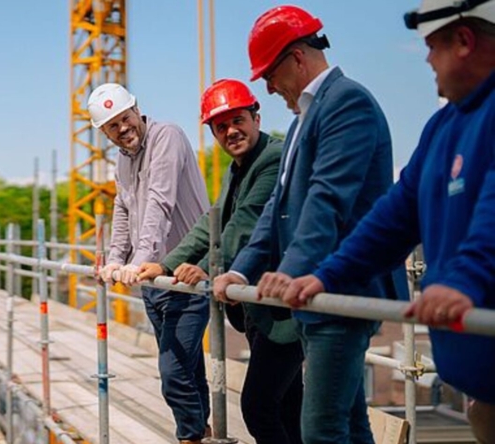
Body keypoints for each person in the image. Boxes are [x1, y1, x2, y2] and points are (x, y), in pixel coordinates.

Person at [279, 1, 495, 442]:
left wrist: (464, 281)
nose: (427, 60)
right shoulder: (444, 126)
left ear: (464, 41)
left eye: (432, 46)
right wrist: (327, 275)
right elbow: (393, 218)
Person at [211, 5, 407, 443]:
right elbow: (276, 209)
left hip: (342, 290)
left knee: (320, 430)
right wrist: (242, 269)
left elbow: (328, 199)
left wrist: (291, 267)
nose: (266, 85)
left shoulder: (347, 102)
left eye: (268, 73)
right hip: (318, 295)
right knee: (351, 425)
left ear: (297, 57)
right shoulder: (304, 117)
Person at [137, 79, 302, 444]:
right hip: (259, 306)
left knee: (259, 408)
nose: (231, 131)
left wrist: (208, 269)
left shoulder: (272, 159)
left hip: (282, 308)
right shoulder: (239, 167)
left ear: (256, 117)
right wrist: (166, 264)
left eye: (238, 120)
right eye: (221, 126)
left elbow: (245, 224)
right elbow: (211, 220)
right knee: (289, 408)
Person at [88, 83, 211, 444]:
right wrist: (114, 260)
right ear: (104, 133)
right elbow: (123, 210)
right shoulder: (123, 160)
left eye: (124, 118)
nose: (122, 128)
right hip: (153, 284)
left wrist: (138, 261)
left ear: (137, 109)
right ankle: (203, 431)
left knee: (172, 373)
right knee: (188, 369)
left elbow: (161, 203)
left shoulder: (167, 137)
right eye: (112, 125)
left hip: (184, 275)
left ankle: (189, 437)